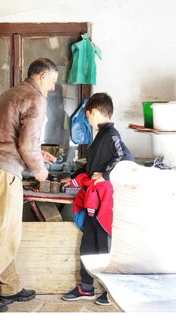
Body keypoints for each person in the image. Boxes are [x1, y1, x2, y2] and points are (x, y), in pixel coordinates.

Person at [0, 58, 59, 312]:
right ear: (42, 77)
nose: (52, 88)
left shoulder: (11, 93)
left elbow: (10, 134)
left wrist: (39, 154)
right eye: (52, 82)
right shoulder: (36, 98)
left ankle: (10, 286)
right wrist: (40, 170)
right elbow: (25, 145)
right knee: (7, 232)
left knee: (1, 229)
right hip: (3, 168)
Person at [60, 92, 134, 306]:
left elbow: (125, 157)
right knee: (89, 244)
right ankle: (85, 287)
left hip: (104, 200)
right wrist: (72, 178)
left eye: (88, 116)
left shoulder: (111, 134)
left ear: (93, 113)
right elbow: (90, 165)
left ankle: (111, 290)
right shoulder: (100, 136)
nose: (88, 120)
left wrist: (105, 175)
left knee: (104, 243)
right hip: (92, 199)